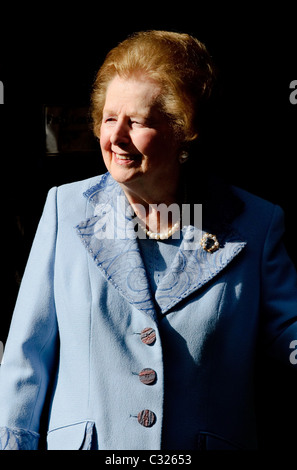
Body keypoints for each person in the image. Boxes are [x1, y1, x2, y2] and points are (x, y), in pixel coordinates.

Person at [0, 30, 297, 451]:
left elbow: (289, 335)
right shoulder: (66, 210)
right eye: (108, 118)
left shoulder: (254, 223)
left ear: (182, 132)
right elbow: (25, 358)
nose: (116, 137)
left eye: (136, 122)